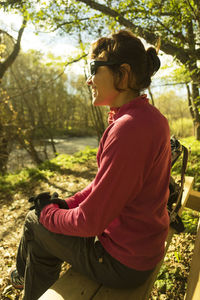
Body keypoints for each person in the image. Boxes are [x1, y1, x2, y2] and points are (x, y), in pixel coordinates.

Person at [10, 29, 171, 300]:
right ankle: (26, 281)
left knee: (34, 221)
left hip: (122, 263)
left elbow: (90, 222)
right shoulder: (149, 118)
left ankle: (25, 283)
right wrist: (65, 204)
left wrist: (48, 214)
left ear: (124, 73)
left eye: (95, 68)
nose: (88, 79)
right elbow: (102, 186)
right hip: (142, 247)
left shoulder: (128, 129)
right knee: (43, 222)